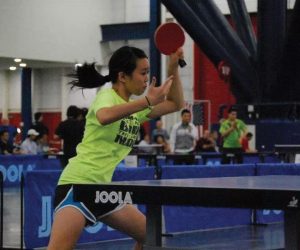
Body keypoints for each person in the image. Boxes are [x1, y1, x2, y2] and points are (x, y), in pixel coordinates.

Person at [47, 45, 184, 250]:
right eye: (143, 73)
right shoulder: (107, 97)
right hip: (78, 186)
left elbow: (175, 104)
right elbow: (104, 116)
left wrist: (173, 68)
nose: (146, 78)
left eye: (148, 72)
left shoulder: (135, 109)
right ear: (122, 76)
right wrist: (147, 100)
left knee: (150, 235)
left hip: (103, 189)